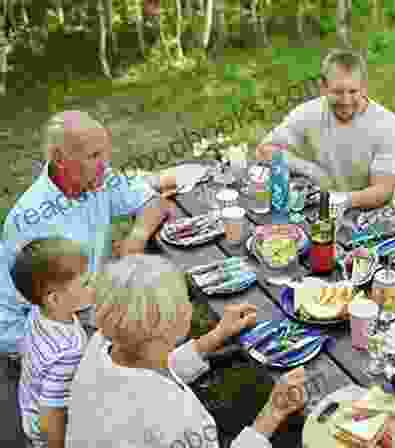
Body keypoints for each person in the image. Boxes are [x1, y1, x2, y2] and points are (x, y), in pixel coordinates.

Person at [66, 254, 307, 448]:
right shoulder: (174, 416)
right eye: (184, 299)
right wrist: (273, 412)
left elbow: (152, 367)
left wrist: (216, 336)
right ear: (169, 324)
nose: (190, 306)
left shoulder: (105, 341)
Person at [0, 110, 176, 357]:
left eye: (105, 153)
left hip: (79, 298)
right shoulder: (35, 221)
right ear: (60, 159)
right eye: (94, 156)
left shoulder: (94, 180)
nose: (105, 165)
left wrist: (136, 237)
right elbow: (57, 305)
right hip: (38, 327)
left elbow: (153, 202)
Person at [255, 48, 395, 211]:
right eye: (337, 92)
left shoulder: (388, 126)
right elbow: (263, 151)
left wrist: (341, 200)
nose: (346, 101)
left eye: (353, 91)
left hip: (371, 217)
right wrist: (309, 169)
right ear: (323, 87)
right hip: (322, 207)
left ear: (364, 88)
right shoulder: (308, 113)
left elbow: (383, 191)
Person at [11, 237, 95, 448]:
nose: (93, 287)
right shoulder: (67, 353)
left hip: (29, 402)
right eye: (85, 284)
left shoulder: (37, 313)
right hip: (48, 430)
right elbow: (52, 414)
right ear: (55, 299)